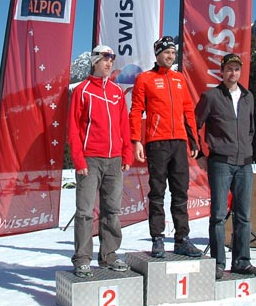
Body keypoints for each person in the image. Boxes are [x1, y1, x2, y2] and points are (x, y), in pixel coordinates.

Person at [130, 35, 203, 258]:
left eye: (173, 52)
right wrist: (136, 140)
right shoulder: (145, 79)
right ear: (158, 54)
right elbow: (136, 111)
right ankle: (158, 239)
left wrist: (194, 140)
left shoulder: (179, 79)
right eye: (167, 52)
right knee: (157, 192)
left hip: (179, 142)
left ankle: (182, 239)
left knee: (180, 192)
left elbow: (188, 110)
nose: (171, 56)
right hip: (156, 143)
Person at [195, 53, 256, 280]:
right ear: (222, 72)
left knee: (243, 216)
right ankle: (217, 263)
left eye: (236, 69)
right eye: (229, 69)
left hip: (244, 164)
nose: (233, 73)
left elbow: (251, 129)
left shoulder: (248, 97)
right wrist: (200, 154)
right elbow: (194, 125)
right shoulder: (211, 96)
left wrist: (246, 149)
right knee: (218, 215)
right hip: (220, 163)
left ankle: (242, 262)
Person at [68, 44, 133, 278]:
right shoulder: (82, 91)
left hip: (114, 159)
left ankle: (108, 255)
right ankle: (82, 259)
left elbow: (123, 124)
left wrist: (126, 153)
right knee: (85, 211)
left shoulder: (116, 92)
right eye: (105, 58)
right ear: (95, 61)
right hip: (90, 159)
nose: (109, 63)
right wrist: (79, 160)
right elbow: (73, 128)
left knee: (111, 210)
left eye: (111, 59)